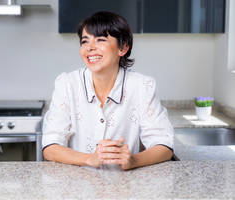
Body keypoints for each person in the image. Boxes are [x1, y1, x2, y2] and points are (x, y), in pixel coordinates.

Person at [42, 11, 174, 170]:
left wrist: (133, 161)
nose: (90, 48)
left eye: (100, 40)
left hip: (126, 188)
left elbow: (164, 145)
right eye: (85, 41)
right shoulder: (67, 84)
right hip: (77, 188)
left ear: (123, 47)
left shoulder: (143, 86)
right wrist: (90, 159)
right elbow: (50, 147)